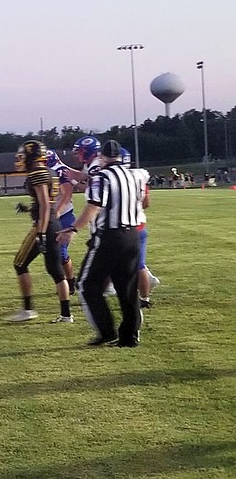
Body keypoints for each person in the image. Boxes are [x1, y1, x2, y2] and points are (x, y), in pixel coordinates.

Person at [57, 140, 144, 347]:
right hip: (132, 234)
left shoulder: (103, 176)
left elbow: (95, 205)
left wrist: (73, 229)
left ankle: (107, 332)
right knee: (127, 288)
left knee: (87, 284)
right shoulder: (131, 176)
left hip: (109, 236)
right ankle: (129, 337)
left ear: (102, 157)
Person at [7, 141, 73, 323]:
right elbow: (46, 204)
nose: (20, 159)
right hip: (54, 223)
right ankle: (66, 314)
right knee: (56, 271)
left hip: (44, 226)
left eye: (23, 156)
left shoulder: (36, 174)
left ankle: (28, 309)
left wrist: (41, 233)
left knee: (20, 264)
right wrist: (29, 209)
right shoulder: (49, 172)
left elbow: (44, 205)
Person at [120, 148, 160, 308]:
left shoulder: (117, 178)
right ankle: (144, 299)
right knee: (138, 265)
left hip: (125, 227)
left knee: (132, 265)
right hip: (139, 225)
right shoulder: (139, 177)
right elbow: (146, 203)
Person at [46, 149, 78, 294]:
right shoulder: (45, 173)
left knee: (61, 252)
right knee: (53, 253)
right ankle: (68, 282)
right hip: (52, 217)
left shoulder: (60, 171)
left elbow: (66, 195)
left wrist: (56, 213)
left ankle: (70, 282)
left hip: (64, 216)